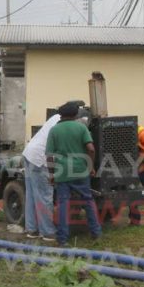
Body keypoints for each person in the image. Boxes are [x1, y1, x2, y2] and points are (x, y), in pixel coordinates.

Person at [46, 101, 102, 246]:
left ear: (61, 115)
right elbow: (91, 149)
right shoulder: (81, 127)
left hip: (62, 172)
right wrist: (90, 167)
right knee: (88, 201)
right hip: (80, 171)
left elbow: (49, 155)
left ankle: (62, 239)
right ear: (76, 114)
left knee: (63, 204)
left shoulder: (54, 130)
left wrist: (52, 174)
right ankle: (95, 233)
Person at [20, 113, 60, 239]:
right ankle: (47, 232)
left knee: (31, 195)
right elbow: (51, 152)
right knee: (44, 195)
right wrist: (53, 173)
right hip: (39, 159)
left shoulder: (56, 117)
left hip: (28, 153)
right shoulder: (61, 125)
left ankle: (32, 230)